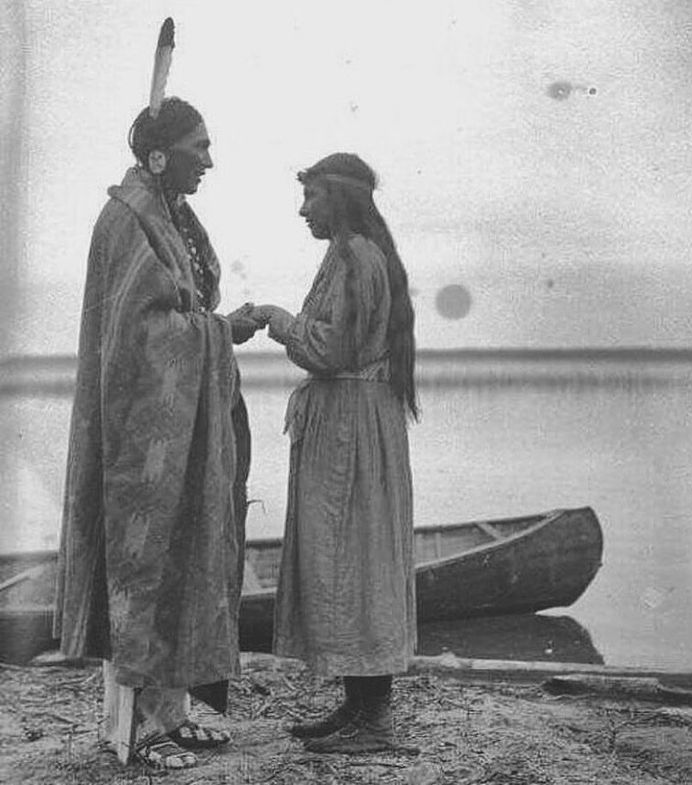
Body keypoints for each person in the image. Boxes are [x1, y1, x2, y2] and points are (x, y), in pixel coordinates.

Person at [53, 23, 262, 770]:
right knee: (144, 567)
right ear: (161, 154)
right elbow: (141, 332)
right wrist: (219, 329)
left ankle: (170, 710)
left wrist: (210, 328)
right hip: (142, 437)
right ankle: (134, 729)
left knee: (184, 560)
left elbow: (180, 309)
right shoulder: (128, 220)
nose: (211, 159)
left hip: (180, 430)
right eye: (200, 146)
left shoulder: (167, 216)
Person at [250, 153, 418, 754]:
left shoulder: (354, 257)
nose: (303, 209)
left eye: (312, 196)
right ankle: (358, 706)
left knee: (356, 560)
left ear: (338, 199)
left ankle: (375, 723)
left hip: (352, 431)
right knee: (349, 560)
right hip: (353, 426)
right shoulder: (354, 253)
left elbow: (333, 351)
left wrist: (276, 318)